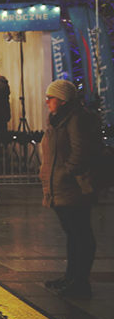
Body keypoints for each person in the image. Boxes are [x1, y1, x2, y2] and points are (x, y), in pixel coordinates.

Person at [39, 79, 99, 299]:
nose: (47, 102)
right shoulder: (58, 119)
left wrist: (66, 172)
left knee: (80, 234)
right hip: (60, 187)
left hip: (73, 187)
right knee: (73, 234)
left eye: (50, 98)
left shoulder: (74, 119)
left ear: (62, 100)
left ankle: (80, 282)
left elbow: (79, 152)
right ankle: (71, 277)